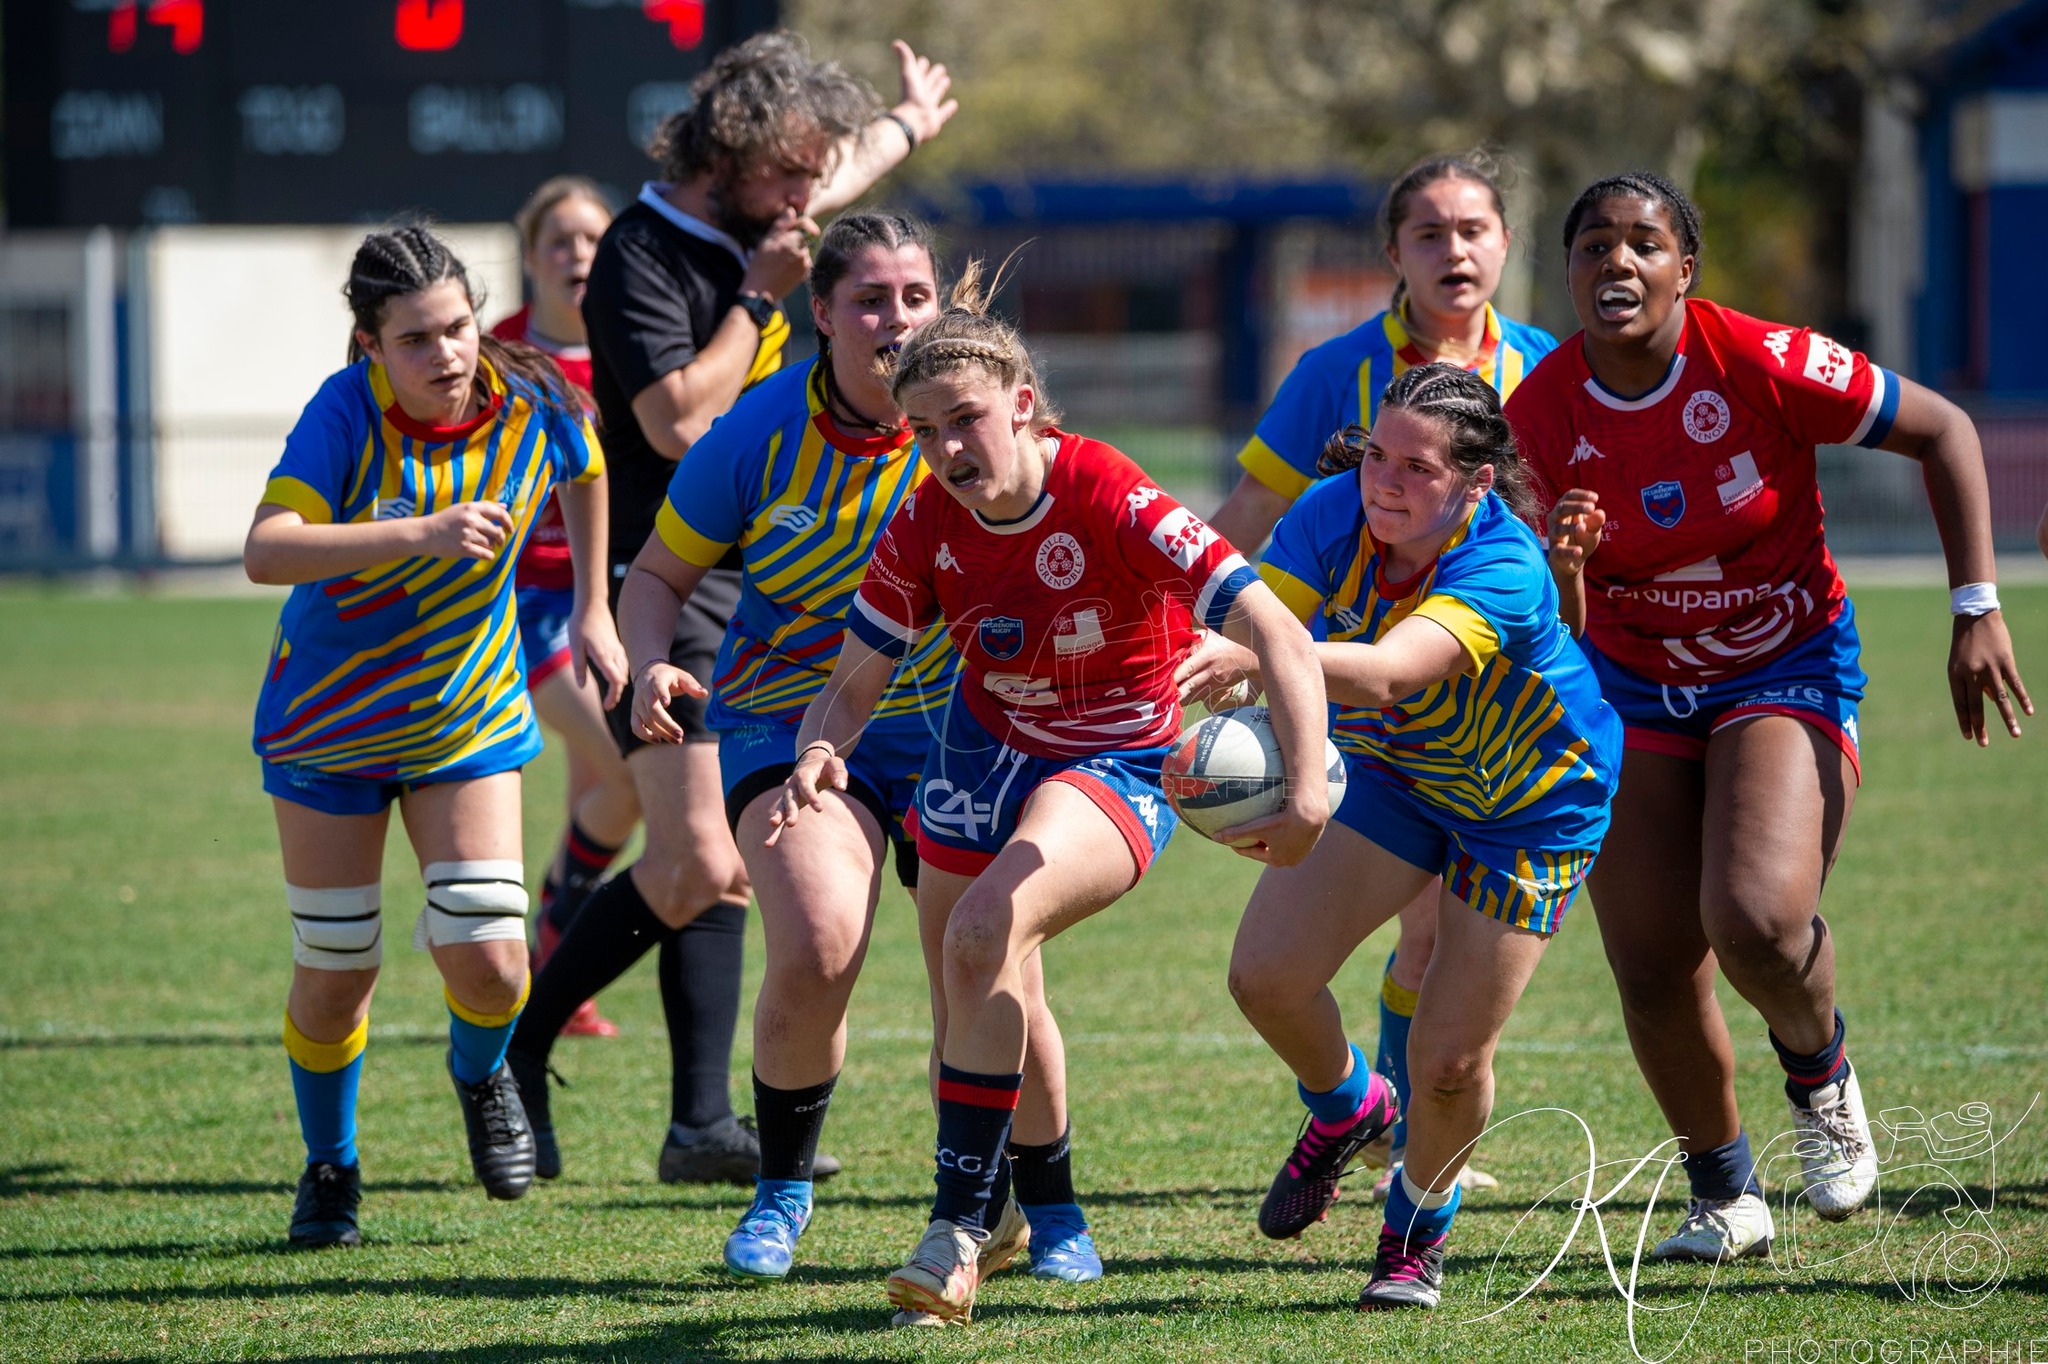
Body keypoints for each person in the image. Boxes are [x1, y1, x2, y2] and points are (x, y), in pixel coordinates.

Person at [771, 275, 1330, 1326]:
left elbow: (1280, 634)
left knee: (988, 926)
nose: (944, 448)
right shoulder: (923, 522)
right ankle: (1045, 1209)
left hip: (1117, 756)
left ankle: (955, 1232)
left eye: (965, 420)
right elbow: (854, 678)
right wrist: (817, 750)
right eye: (922, 430)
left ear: (1022, 401)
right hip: (984, 749)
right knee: (976, 985)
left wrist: (1302, 793)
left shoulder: (1109, 493)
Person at [1507, 171, 2031, 1262]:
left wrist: (1973, 604)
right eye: (1591, 246)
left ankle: (1817, 1066)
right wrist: (1562, 566)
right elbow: (1547, 623)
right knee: (1650, 957)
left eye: (1642, 243)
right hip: (1632, 682)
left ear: (1683, 269)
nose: (1616, 262)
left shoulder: (1758, 359)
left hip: (1779, 664)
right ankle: (1722, 1190)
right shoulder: (1539, 412)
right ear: (1566, 276)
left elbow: (1943, 429)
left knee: (1750, 915)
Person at [615, 220, 1103, 1296]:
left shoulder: (981, 428)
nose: (894, 321)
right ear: (821, 315)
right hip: (792, 717)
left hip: (964, 724)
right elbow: (652, 577)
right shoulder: (756, 433)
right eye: (870, 300)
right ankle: (782, 1184)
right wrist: (646, 663)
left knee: (992, 962)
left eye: (915, 296)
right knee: (821, 937)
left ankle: (1040, 1198)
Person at [507, 29, 958, 1186]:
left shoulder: (770, 207)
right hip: (673, 571)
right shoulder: (640, 257)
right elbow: (671, 423)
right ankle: (518, 1048)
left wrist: (907, 124)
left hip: (765, 572)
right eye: (794, 172)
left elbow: (848, 170)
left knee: (709, 860)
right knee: (701, 855)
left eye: (817, 173)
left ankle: (698, 1123)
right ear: (732, 156)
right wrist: (757, 304)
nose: (812, 192)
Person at [242, 224, 626, 1248]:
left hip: (465, 714)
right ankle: (331, 1166)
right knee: (337, 972)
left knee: (495, 966)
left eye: (455, 327)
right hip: (327, 724)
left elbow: (586, 467)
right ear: (369, 345)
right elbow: (266, 549)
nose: (446, 354)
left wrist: (593, 605)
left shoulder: (535, 390)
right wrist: (420, 528)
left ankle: (481, 1072)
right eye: (414, 339)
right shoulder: (342, 412)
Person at [1194, 153, 1557, 1201]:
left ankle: (1394, 1125)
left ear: (1503, 242)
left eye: (1475, 228)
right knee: (1398, 930)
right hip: (1352, 688)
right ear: (1391, 251)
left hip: (1496, 698)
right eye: (1430, 232)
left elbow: (1547, 557)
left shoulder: (1546, 367)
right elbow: (1245, 522)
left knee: (1435, 931)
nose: (1455, 250)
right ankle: (1376, 1112)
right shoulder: (1330, 374)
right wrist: (1193, 631)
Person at [1219, 364, 1621, 1310]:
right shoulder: (1328, 515)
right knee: (1265, 976)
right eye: (1376, 457)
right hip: (1401, 772)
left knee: (1448, 1062)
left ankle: (1414, 1235)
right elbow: (1258, 617)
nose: (1384, 484)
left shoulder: (1507, 564)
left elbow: (1393, 671)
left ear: (1476, 484)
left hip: (1532, 803)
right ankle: (1351, 1104)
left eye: (1417, 469)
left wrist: (1256, 660)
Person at [492, 176, 635, 1039]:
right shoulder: (495, 352)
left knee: (610, 796)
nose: (577, 255)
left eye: (593, 240)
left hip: (617, 592)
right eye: (561, 240)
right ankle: (551, 953)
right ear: (530, 254)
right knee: (628, 772)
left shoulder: (636, 350)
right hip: (527, 601)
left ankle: (552, 966)